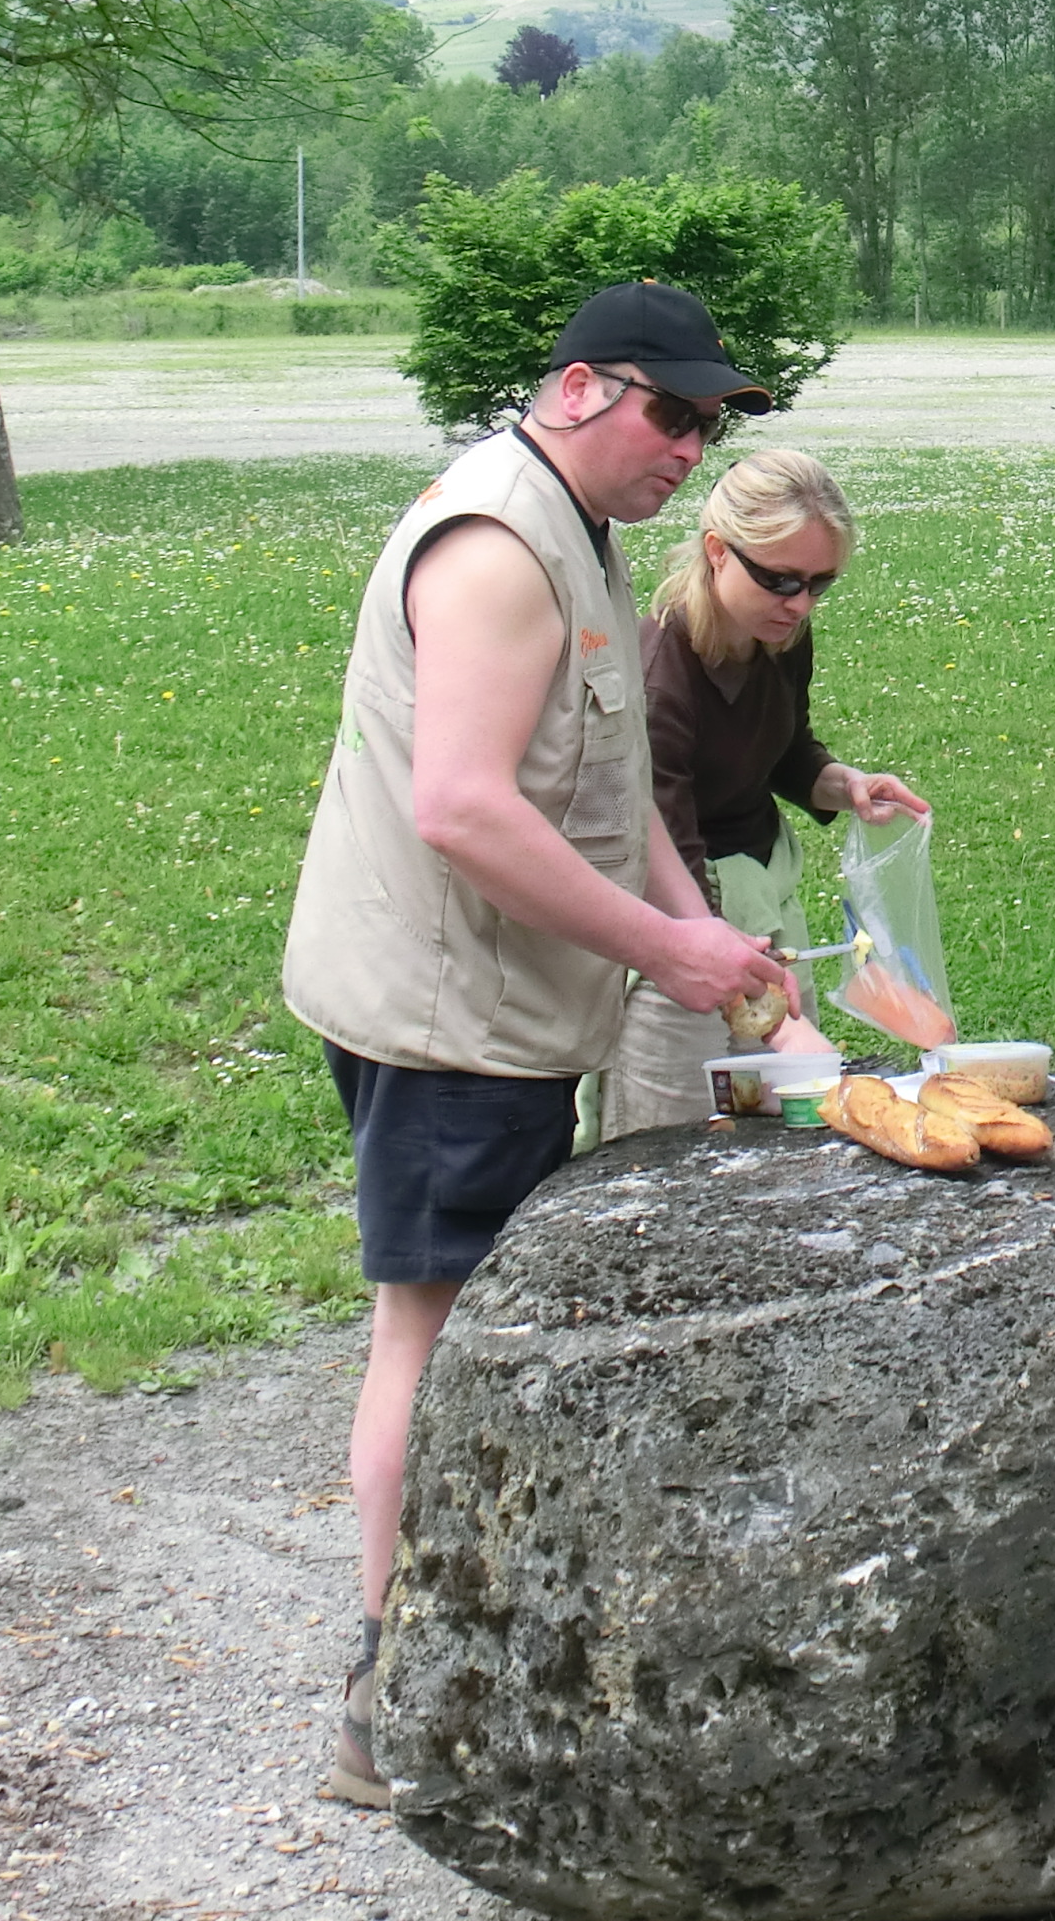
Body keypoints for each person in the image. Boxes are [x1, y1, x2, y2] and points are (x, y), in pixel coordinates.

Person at [280, 279, 797, 1809]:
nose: (690, 448)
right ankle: (390, 1696)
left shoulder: (583, 531)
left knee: (465, 1326)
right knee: (431, 1335)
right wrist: (663, 948)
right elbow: (461, 805)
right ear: (580, 388)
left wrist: (698, 932)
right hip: (449, 1019)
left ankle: (453, 1650)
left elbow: (613, 781)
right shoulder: (501, 548)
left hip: (504, 1011)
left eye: (710, 424)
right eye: (671, 412)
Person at [599, 446, 945, 1137]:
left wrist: (844, 785)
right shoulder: (662, 673)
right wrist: (774, 1022)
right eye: (781, 580)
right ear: (717, 551)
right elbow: (662, 847)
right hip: (680, 932)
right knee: (674, 1147)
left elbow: (783, 748)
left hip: (762, 912)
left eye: (819, 584)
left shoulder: (780, 636)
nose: (800, 604)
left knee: (783, 1138)